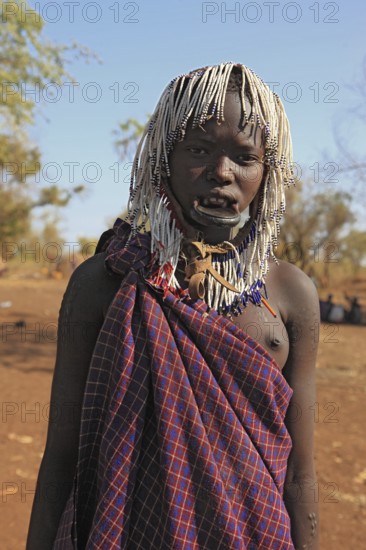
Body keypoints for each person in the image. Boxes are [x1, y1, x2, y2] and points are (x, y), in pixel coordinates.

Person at [27, 63, 319, 549]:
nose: (221, 173)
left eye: (245, 157)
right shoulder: (107, 281)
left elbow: (301, 472)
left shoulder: (290, 293)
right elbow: (61, 456)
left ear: (267, 172)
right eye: (199, 150)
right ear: (164, 157)